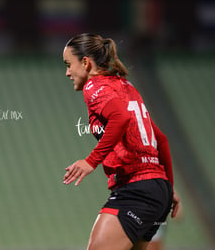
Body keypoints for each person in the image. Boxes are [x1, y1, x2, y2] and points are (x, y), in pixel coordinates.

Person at [62, 33, 181, 250]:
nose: (68, 72)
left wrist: (91, 161)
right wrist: (168, 189)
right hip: (157, 190)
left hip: (137, 189)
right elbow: (161, 140)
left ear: (86, 63)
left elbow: (120, 118)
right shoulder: (125, 87)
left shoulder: (94, 87)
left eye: (69, 64)